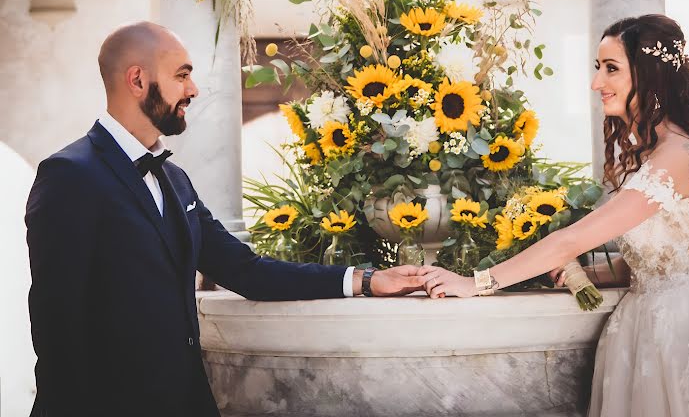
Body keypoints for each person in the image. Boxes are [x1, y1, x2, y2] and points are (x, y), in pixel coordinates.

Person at [25, 22, 426, 417]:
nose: (193, 90)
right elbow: (56, 326)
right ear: (137, 80)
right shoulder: (70, 175)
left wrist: (366, 280)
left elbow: (245, 270)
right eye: (182, 75)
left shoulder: (175, 180)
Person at [419, 14, 689, 415]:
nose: (597, 83)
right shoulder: (661, 152)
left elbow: (572, 238)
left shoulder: (675, 157)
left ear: (650, 77)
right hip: (649, 326)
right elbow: (657, 260)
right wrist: (580, 273)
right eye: (598, 68)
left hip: (685, 332)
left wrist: (477, 283)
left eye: (611, 69)